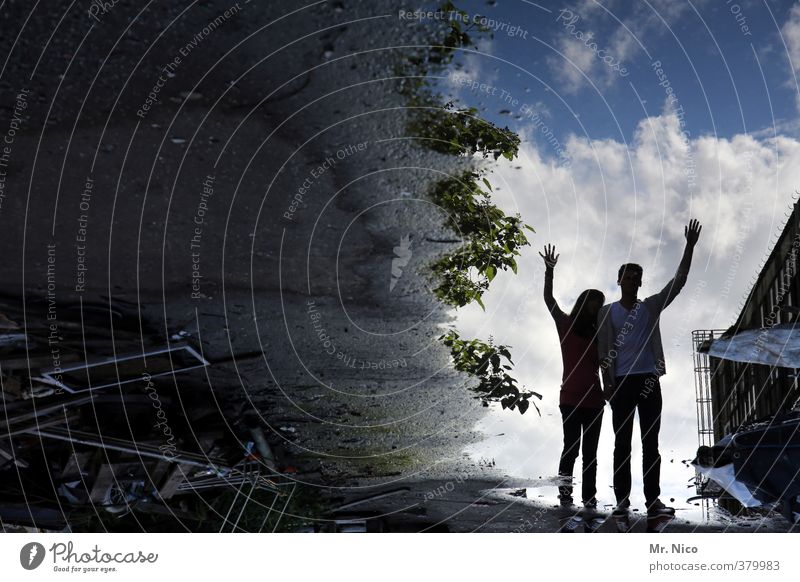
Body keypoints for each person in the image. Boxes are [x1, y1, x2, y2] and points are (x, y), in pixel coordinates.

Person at [597, 219, 702, 518]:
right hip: (621, 383)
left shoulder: (651, 306)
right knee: (622, 444)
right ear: (619, 281)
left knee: (650, 443)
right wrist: (607, 382)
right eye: (627, 277)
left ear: (641, 282)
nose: (632, 281)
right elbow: (603, 351)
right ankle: (621, 501)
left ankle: (652, 500)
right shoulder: (607, 313)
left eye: (636, 277)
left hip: (648, 381)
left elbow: (678, 282)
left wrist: (689, 246)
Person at [540, 244, 605, 508]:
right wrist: (549, 272)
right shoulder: (565, 324)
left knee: (591, 453)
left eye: (599, 304)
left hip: (595, 401)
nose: (596, 307)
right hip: (570, 398)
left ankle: (589, 498)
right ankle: (565, 494)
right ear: (584, 301)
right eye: (593, 301)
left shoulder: (599, 333)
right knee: (571, 448)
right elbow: (549, 301)